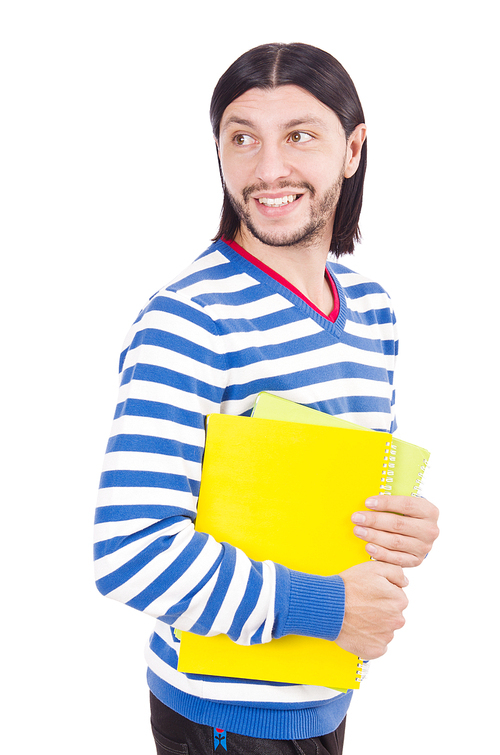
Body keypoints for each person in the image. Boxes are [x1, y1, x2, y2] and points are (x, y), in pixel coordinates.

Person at [94, 42, 439, 754]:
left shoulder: (372, 309)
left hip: (326, 692)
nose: (268, 168)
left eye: (300, 136)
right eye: (242, 138)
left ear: (353, 148)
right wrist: (331, 605)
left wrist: (402, 525)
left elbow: (343, 501)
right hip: (223, 720)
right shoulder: (189, 319)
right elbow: (129, 551)